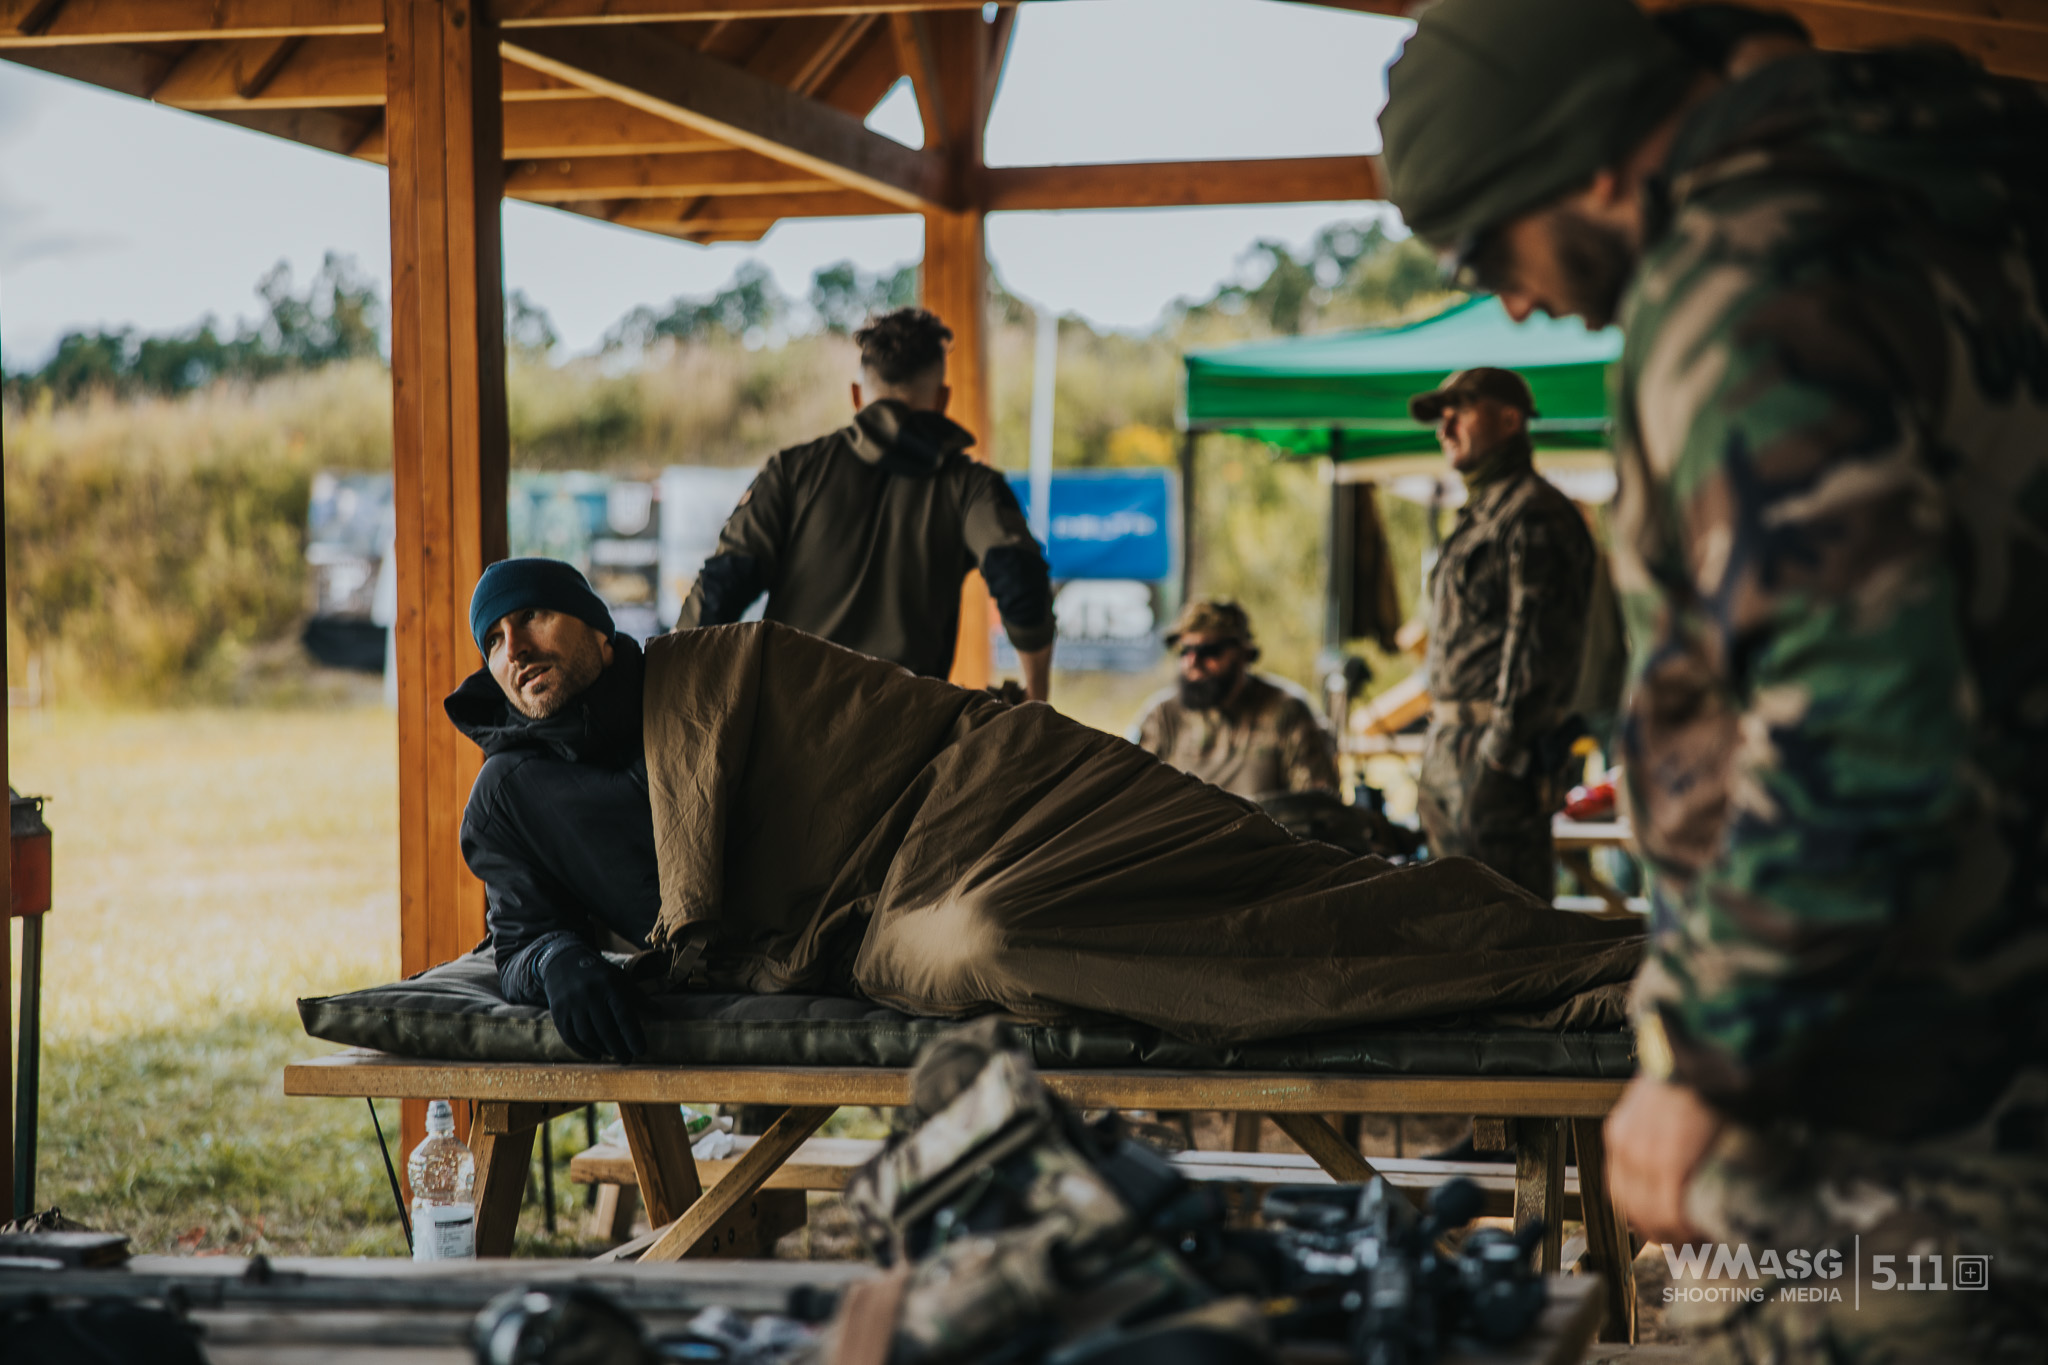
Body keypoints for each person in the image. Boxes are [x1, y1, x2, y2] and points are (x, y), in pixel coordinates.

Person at [1379, 1, 2048, 1357]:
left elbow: (1858, 724)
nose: (1514, 299)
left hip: (1902, 1080)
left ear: (1592, 167)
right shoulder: (1961, 185)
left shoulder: (1742, 285)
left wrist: (1706, 1056)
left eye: (1491, 248)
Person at [450, 558, 1642, 1064]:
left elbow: (915, 726)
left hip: (987, 792)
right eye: (493, 641)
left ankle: (1535, 951)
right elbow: (519, 932)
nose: (515, 647)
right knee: (996, 940)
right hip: (866, 925)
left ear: (595, 626)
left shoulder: (726, 666)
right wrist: (558, 964)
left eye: (533, 617)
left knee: (1252, 863)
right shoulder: (512, 795)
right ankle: (1450, 968)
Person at [675, 307, 1057, 701]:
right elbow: (1020, 576)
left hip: (784, 722)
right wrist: (1036, 694)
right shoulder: (973, 487)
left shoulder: (792, 470)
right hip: (906, 728)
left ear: (857, 396)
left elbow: (720, 588)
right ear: (943, 399)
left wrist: (668, 691)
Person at [1408, 367, 1596, 900]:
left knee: (1503, 926)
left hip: (1494, 755)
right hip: (1450, 747)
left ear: (1510, 420)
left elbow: (1540, 648)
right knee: (1450, 923)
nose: (1445, 428)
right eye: (1441, 417)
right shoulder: (1477, 517)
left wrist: (1499, 757)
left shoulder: (1535, 514)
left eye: (1461, 412)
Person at [1129, 599, 1339, 800]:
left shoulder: (1286, 712)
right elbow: (1132, 797)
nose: (1192, 662)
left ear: (1243, 654)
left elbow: (1318, 806)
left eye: (1208, 651)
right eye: (1184, 650)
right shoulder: (1163, 717)